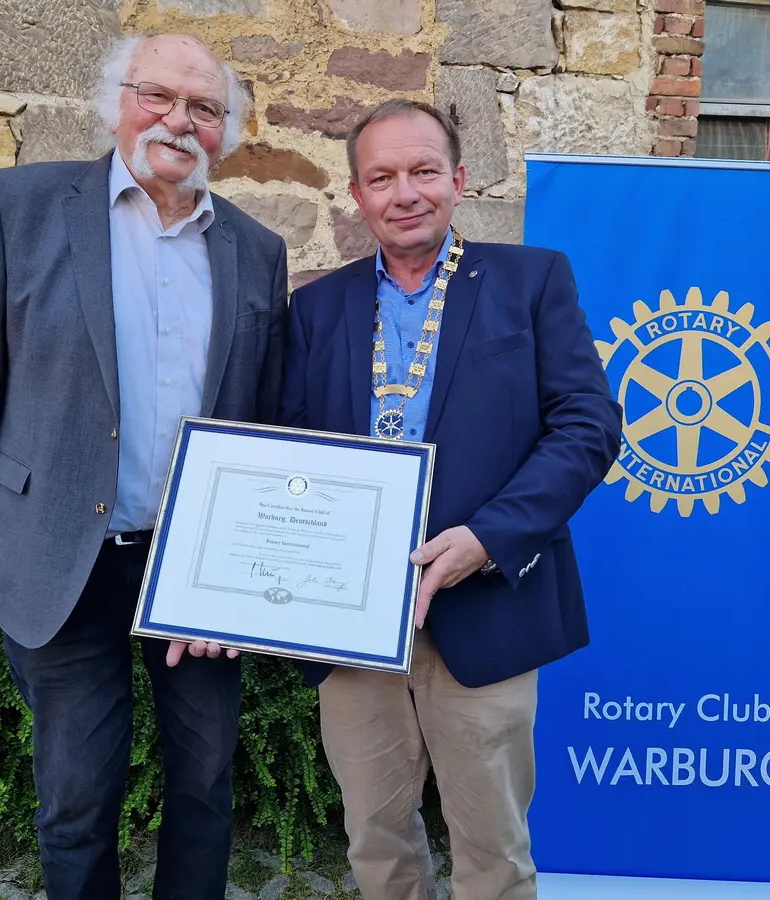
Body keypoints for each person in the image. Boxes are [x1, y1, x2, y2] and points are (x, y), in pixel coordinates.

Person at [0, 33, 289, 900]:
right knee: (77, 796)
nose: (179, 120)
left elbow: (262, 422)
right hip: (57, 549)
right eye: (157, 95)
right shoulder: (18, 205)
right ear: (114, 100)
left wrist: (248, 568)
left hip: (193, 564)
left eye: (205, 108)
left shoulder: (257, 248)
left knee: (204, 784)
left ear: (226, 130)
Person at [279, 99, 622, 900]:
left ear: (459, 180)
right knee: (376, 840)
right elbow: (288, 451)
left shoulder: (531, 281)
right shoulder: (316, 309)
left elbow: (587, 425)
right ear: (357, 195)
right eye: (382, 177)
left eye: (424, 171)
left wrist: (489, 537)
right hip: (352, 618)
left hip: (486, 603)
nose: (406, 193)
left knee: (493, 848)